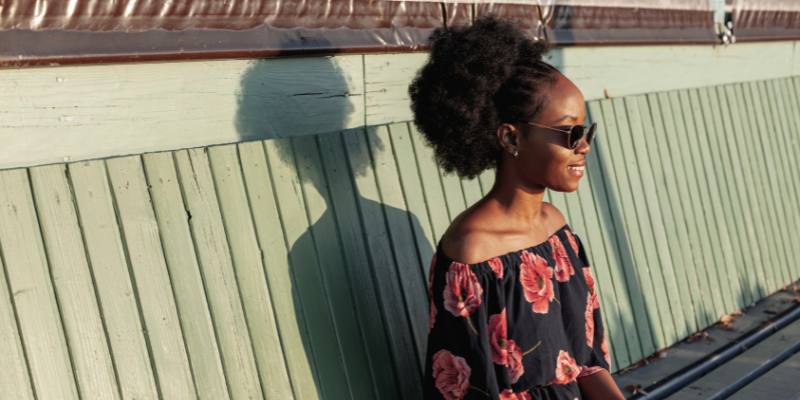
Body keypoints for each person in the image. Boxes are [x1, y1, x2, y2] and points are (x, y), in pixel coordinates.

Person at [408, 14, 626, 400]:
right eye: (570, 132)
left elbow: (587, 361)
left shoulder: (557, 233)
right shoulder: (471, 255)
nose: (584, 146)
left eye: (586, 130)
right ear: (511, 137)